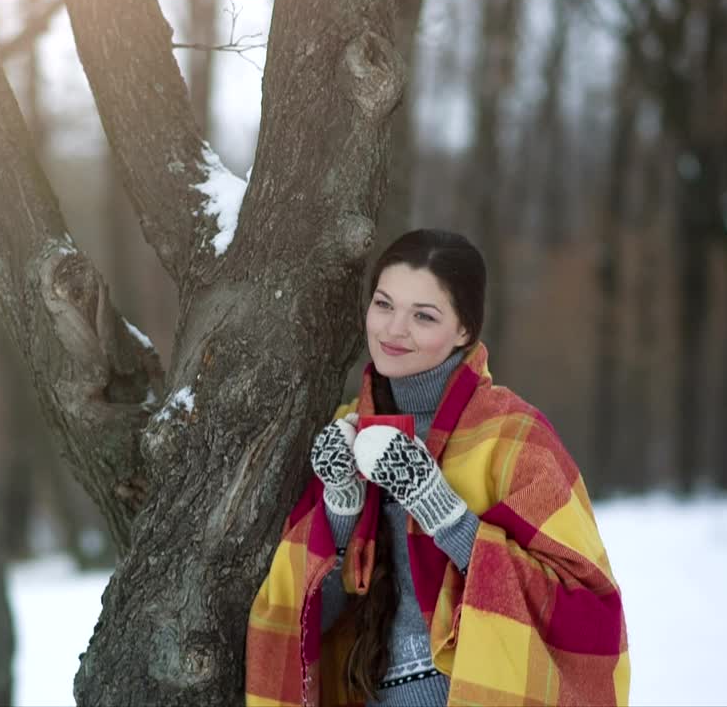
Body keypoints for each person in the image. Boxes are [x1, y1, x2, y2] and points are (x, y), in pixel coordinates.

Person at [245, 229, 629, 707]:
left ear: (464, 330)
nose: (393, 330)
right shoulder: (345, 432)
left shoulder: (514, 438)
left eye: (423, 316)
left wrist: (441, 510)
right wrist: (341, 508)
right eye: (384, 305)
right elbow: (303, 627)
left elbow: (589, 615)